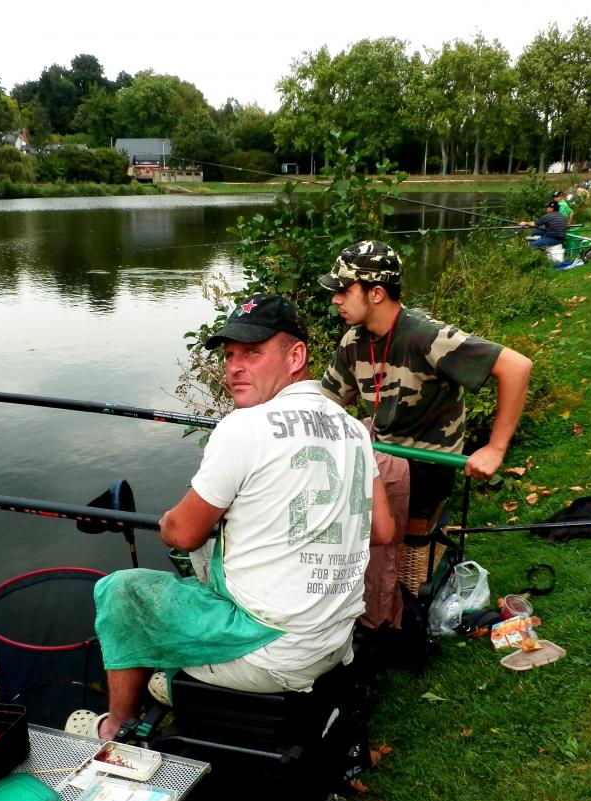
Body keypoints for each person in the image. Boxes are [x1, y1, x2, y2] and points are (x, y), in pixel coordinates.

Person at [85, 294, 394, 742]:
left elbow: (183, 534)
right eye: (230, 354)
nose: (234, 366)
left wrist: (174, 519)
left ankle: (116, 727)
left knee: (120, 591)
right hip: (332, 640)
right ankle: (169, 681)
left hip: (271, 653)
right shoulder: (351, 428)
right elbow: (384, 530)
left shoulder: (242, 427)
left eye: (253, 351)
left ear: (296, 356)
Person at [317, 242, 532, 635]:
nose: (335, 300)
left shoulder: (426, 336)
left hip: (428, 464)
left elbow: (517, 367)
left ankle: (385, 609)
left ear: (376, 293)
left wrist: (495, 448)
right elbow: (324, 400)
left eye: (344, 290)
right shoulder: (353, 342)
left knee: (348, 507)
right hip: (384, 451)